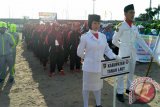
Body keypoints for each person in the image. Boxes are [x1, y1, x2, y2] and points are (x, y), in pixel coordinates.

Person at [112, 4, 154, 102]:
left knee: (131, 72)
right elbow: (114, 40)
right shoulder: (121, 26)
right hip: (123, 54)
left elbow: (140, 40)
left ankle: (129, 89)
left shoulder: (135, 27)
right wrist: (122, 46)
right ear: (125, 14)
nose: (133, 14)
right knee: (122, 73)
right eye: (131, 12)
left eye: (134, 12)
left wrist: (150, 51)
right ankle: (119, 92)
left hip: (133, 54)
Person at [77, 14, 120, 107]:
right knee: (86, 87)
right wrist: (87, 57)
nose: (96, 25)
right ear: (90, 23)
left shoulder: (102, 36)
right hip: (89, 67)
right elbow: (79, 52)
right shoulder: (85, 37)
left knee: (98, 87)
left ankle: (98, 104)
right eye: (94, 23)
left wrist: (114, 56)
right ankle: (85, 105)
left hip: (100, 67)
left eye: (98, 23)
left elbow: (107, 50)